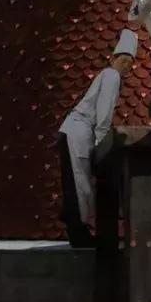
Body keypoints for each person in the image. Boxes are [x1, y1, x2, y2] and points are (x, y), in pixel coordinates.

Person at [57, 29, 138, 248]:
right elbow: (104, 114)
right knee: (79, 184)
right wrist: (102, 144)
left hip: (74, 131)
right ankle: (78, 233)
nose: (127, 65)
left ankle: (74, 221)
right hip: (79, 133)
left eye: (130, 63)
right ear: (114, 59)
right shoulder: (111, 76)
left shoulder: (107, 76)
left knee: (78, 184)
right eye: (124, 60)